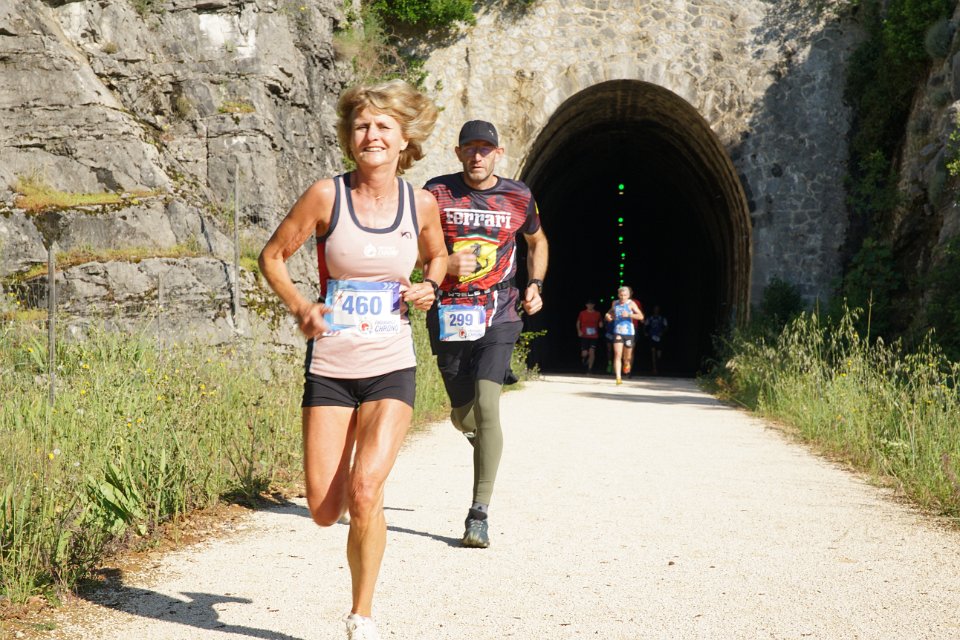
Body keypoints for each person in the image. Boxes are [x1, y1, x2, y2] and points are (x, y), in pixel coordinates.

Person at [258, 80, 447, 640]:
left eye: (384, 126)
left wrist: (429, 286)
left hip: (391, 363)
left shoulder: (420, 203)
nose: (372, 136)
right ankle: (365, 495)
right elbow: (272, 256)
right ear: (349, 137)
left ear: (405, 138)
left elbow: (438, 256)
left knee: (364, 490)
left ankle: (361, 616)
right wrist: (301, 306)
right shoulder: (326, 196)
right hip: (332, 367)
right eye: (362, 126)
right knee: (324, 508)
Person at [424, 120, 548, 548]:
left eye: (485, 149)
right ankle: (485, 444)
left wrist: (535, 285)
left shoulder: (519, 195)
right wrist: (440, 266)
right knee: (463, 417)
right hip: (450, 312)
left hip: (500, 312)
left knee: (489, 406)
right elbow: (415, 244)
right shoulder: (436, 192)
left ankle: (478, 514)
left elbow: (537, 241)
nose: (477, 156)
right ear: (458, 152)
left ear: (498, 153)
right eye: (470, 148)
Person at [604, 286, 644, 385]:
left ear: (628, 295)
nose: (623, 297)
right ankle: (618, 378)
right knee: (617, 355)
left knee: (627, 357)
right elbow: (610, 312)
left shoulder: (631, 304)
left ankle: (626, 364)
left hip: (629, 333)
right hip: (617, 332)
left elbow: (641, 316)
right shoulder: (615, 303)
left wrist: (629, 315)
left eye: (625, 295)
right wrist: (607, 316)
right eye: (621, 295)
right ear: (618, 295)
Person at [576, 299, 602, 373]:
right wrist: (579, 331)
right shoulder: (582, 313)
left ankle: (590, 369)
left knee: (592, 352)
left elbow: (600, 322)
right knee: (584, 353)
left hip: (594, 336)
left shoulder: (597, 313)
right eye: (588, 304)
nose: (590, 306)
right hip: (584, 335)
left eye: (591, 304)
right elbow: (578, 322)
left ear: (594, 305)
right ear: (586, 305)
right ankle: (585, 360)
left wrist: (601, 324)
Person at [645, 304, 668, 375]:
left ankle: (659, 367)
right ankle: (654, 368)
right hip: (652, 336)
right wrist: (646, 332)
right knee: (653, 352)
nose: (656, 310)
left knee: (659, 354)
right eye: (655, 309)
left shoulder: (662, 318)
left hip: (659, 337)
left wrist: (662, 332)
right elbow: (645, 326)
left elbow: (666, 327)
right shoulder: (650, 318)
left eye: (657, 309)